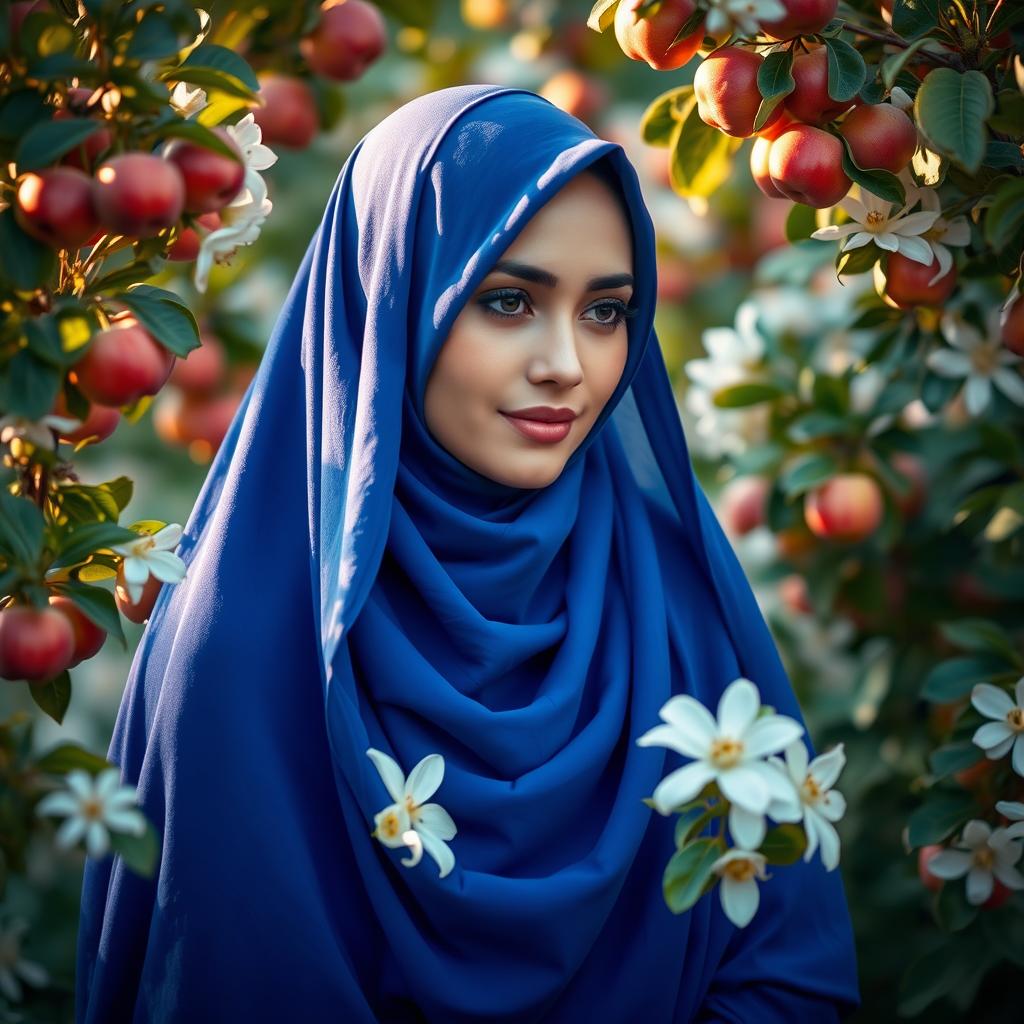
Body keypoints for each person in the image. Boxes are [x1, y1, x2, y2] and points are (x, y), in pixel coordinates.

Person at [75, 84, 860, 1023]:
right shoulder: (247, 641)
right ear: (391, 298)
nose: (566, 363)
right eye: (508, 299)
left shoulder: (665, 590)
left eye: (606, 313)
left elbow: (789, 970)